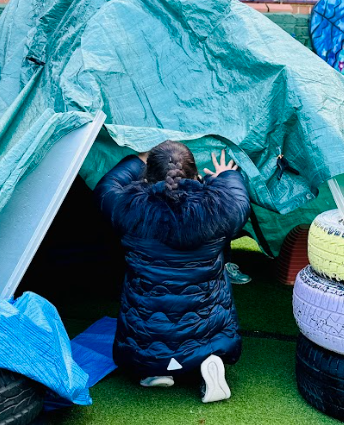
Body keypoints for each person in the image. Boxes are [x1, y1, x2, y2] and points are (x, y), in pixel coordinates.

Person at [94, 141, 251, 403]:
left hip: (147, 333)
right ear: (196, 175)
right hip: (206, 324)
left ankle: (155, 369)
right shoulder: (221, 208)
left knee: (147, 342)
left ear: (147, 177)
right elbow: (240, 200)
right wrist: (226, 175)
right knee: (207, 314)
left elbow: (106, 187)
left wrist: (137, 160)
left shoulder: (127, 208)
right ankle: (208, 359)